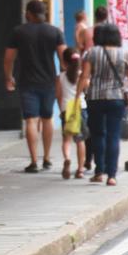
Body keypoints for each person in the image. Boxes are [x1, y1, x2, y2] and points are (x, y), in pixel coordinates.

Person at [3, 0, 66, 173]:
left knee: (31, 120)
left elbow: (9, 58)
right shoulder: (55, 32)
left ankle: (33, 161)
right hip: (49, 81)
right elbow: (64, 56)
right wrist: (66, 78)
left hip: (26, 81)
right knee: (47, 118)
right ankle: (46, 158)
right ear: (44, 14)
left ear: (29, 13)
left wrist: (9, 77)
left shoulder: (19, 32)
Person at [77, 23, 128, 187]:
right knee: (113, 136)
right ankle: (112, 175)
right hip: (116, 99)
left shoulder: (91, 53)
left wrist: (77, 94)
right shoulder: (125, 53)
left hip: (95, 99)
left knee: (98, 135)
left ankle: (99, 172)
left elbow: (84, 77)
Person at [56, 47, 86, 180]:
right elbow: (87, 87)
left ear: (64, 62)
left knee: (66, 139)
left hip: (66, 109)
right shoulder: (82, 75)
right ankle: (80, 169)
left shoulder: (60, 77)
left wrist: (61, 110)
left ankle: (67, 158)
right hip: (80, 108)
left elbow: (59, 95)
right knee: (80, 141)